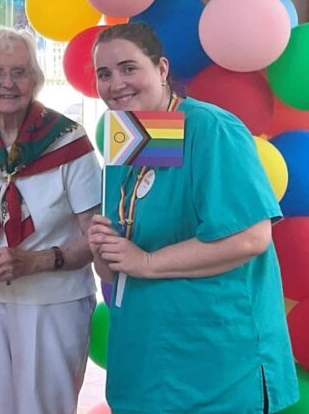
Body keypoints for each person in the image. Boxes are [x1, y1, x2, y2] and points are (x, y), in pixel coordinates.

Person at [89, 22, 297, 413]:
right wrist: (106, 251)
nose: (116, 83)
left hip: (215, 365)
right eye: (104, 74)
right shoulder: (129, 136)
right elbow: (125, 257)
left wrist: (147, 263)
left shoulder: (211, 129)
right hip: (149, 358)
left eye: (129, 68)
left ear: (162, 69)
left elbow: (251, 238)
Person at [0, 27, 99, 414]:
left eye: (19, 72)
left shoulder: (70, 142)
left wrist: (35, 261)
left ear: (35, 79)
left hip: (53, 304)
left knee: (45, 407)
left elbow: (94, 237)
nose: (7, 83)